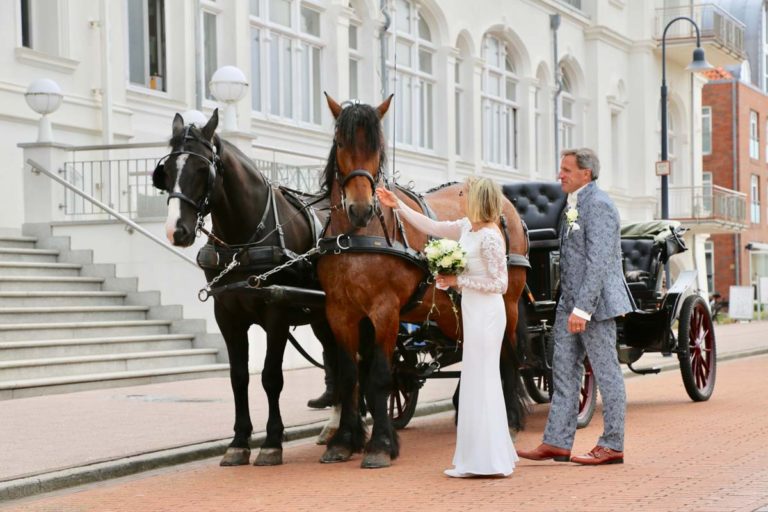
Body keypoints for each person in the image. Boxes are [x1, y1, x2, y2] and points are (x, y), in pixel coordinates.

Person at [376, 177, 517, 478]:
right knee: (475, 381)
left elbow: (500, 284)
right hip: (473, 310)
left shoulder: (491, 236)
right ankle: (477, 458)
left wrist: (457, 282)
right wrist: (397, 205)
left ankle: (487, 460)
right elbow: (432, 227)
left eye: (466, 194)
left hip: (487, 314)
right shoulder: (468, 226)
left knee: (482, 380)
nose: (462, 197)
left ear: (480, 198)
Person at [517, 148, 634, 466]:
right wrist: (569, 305)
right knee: (564, 373)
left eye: (566, 169)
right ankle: (556, 442)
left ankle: (613, 444)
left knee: (607, 373)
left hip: (593, 307)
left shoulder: (599, 205)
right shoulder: (574, 204)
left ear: (586, 173)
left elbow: (599, 262)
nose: (560, 175)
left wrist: (582, 309)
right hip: (568, 303)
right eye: (561, 169)